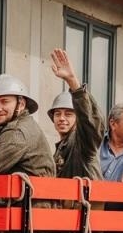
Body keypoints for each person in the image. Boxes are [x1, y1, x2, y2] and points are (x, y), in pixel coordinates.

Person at [45, 48, 104, 183]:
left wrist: (73, 81)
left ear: (78, 118)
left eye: (69, 114)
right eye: (58, 114)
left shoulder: (83, 142)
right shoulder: (61, 147)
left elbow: (89, 121)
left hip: (88, 202)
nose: (62, 118)